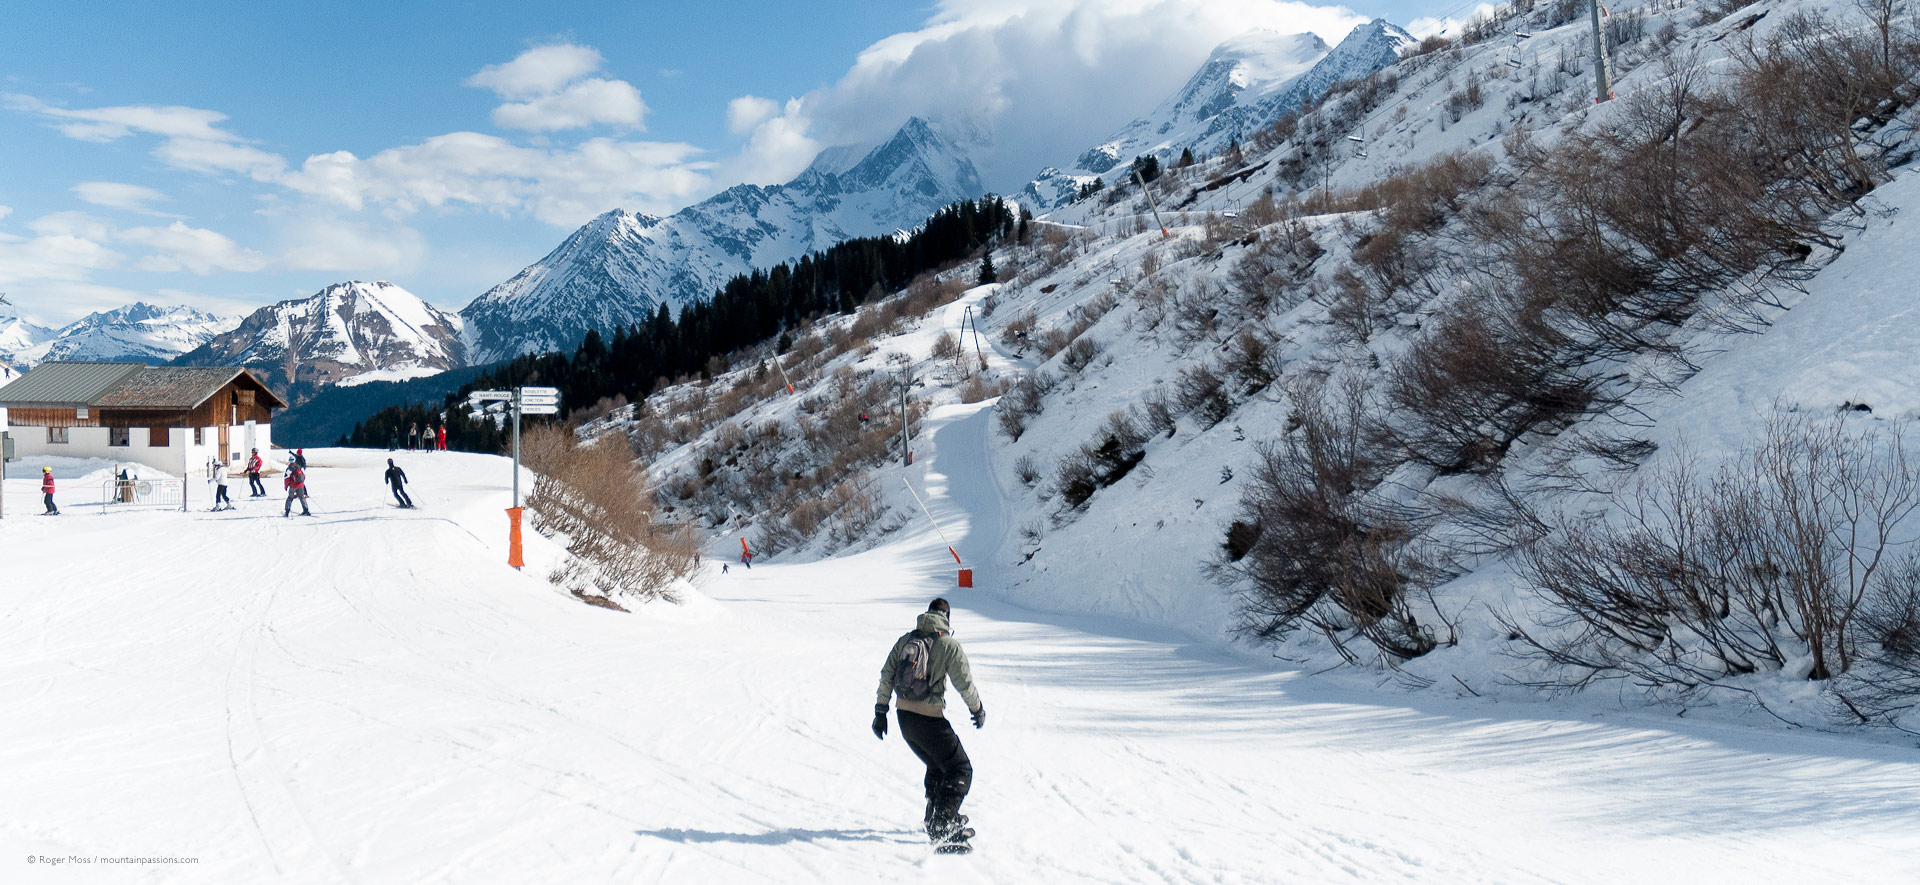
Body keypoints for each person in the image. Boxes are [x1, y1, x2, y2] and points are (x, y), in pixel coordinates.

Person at [873, 597, 985, 851]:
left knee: (938, 762)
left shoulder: (906, 640)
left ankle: (933, 815)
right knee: (960, 768)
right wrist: (977, 709)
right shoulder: (947, 644)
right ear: (947, 617)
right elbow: (964, 683)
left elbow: (887, 674)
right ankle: (942, 825)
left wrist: (881, 711)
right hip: (928, 718)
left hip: (904, 719)